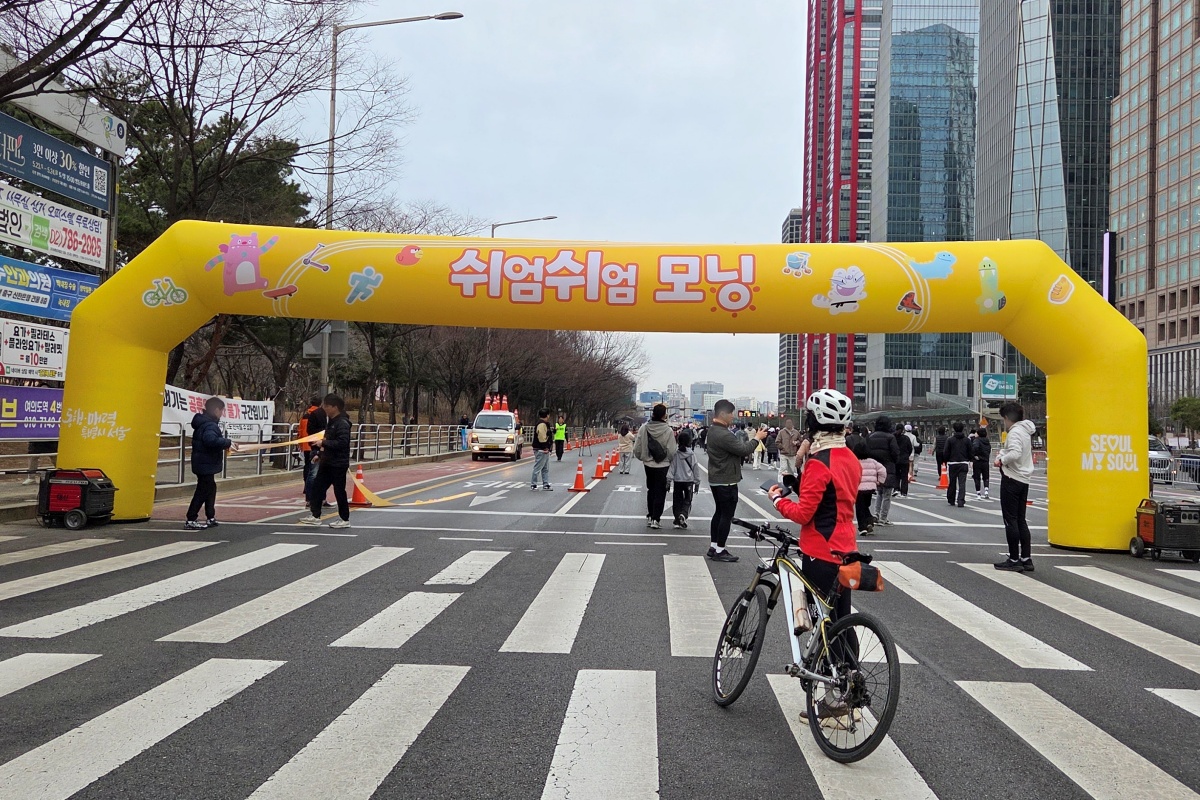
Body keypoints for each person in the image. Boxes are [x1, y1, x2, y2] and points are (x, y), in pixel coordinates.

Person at [768, 389, 859, 721]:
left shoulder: (820, 464)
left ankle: (837, 697)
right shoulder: (849, 458)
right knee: (841, 620)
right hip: (848, 548)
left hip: (821, 551)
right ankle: (850, 687)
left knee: (828, 625)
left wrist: (777, 499)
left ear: (812, 422)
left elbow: (805, 513)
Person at [705, 399, 767, 561]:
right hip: (726, 480)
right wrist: (757, 438)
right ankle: (720, 550)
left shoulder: (713, 430)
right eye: (731, 413)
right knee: (726, 515)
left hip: (716, 478)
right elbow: (743, 450)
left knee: (719, 512)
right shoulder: (724, 434)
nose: (733, 417)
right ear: (724, 414)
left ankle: (714, 546)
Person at [299, 394, 352, 528]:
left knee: (339, 491)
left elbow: (342, 443)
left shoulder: (342, 423)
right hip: (327, 461)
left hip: (338, 463)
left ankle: (344, 519)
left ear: (335, 407)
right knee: (318, 488)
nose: (325, 408)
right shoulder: (332, 422)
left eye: (327, 406)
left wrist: (323, 442)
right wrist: (320, 454)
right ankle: (315, 515)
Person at [185, 397, 238, 529]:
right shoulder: (210, 425)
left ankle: (210, 516)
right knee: (203, 490)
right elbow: (210, 441)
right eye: (221, 411)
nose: (222, 413)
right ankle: (191, 519)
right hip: (205, 463)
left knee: (210, 488)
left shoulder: (204, 423)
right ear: (216, 410)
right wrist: (227, 442)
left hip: (203, 462)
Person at [994, 402, 1036, 571]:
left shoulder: (1015, 432)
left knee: (1010, 520)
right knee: (1020, 520)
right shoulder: (1026, 431)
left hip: (1012, 478)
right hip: (1024, 479)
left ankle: (1013, 559)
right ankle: (1026, 558)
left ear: (1007, 418)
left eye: (1004, 418)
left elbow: (1015, 452)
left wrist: (1000, 460)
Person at [633, 403, 677, 529]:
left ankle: (650, 515)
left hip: (648, 464)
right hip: (663, 465)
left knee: (651, 489)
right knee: (661, 491)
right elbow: (672, 450)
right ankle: (656, 519)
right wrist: (668, 460)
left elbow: (637, 447)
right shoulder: (668, 430)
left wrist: (643, 457)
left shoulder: (644, 428)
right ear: (664, 415)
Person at [867, 417, 900, 526]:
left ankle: (876, 514)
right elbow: (895, 453)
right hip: (888, 467)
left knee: (879, 492)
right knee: (887, 494)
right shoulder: (891, 437)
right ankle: (883, 517)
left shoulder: (871, 436)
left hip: (874, 467)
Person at [853, 440, 885, 536]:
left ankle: (863, 527)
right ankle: (869, 520)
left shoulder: (855, 462)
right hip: (870, 488)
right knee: (865, 505)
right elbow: (883, 471)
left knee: (859, 508)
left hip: (859, 488)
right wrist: (880, 481)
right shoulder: (873, 462)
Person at [298, 396, 327, 504]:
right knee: (315, 472)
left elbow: (300, 431)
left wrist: (300, 443)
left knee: (308, 469)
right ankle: (315, 497)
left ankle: (307, 490)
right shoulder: (320, 414)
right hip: (316, 445)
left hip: (306, 445)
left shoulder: (305, 416)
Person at [668, 429, 699, 529]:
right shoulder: (692, 454)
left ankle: (677, 518)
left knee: (677, 500)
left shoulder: (676, 454)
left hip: (677, 480)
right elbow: (695, 468)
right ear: (690, 441)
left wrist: (668, 480)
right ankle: (683, 515)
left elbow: (672, 467)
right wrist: (697, 482)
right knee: (687, 500)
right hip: (689, 481)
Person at [943, 421, 973, 507]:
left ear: (954, 429)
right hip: (964, 463)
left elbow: (946, 452)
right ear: (963, 429)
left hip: (953, 463)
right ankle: (961, 500)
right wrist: (970, 459)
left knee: (952, 482)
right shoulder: (967, 440)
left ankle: (951, 499)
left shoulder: (950, 440)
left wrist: (946, 460)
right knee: (962, 483)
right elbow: (971, 452)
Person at [530, 409, 554, 490]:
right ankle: (534, 484)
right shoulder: (542, 424)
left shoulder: (543, 424)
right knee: (539, 467)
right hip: (541, 449)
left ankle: (545, 484)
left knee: (545, 468)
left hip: (542, 448)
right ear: (547, 415)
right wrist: (545, 447)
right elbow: (542, 437)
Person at [777, 416, 801, 494]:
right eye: (787, 423)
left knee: (792, 470)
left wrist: (797, 443)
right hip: (784, 454)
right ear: (785, 423)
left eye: (790, 422)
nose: (789, 424)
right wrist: (782, 448)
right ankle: (780, 483)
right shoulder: (781, 432)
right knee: (783, 468)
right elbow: (777, 442)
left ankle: (791, 484)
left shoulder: (796, 432)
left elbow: (800, 441)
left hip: (792, 454)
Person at [893, 426, 914, 498]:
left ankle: (896, 489)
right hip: (904, 459)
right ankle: (904, 492)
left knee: (896, 475)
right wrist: (907, 454)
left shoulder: (893, 438)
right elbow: (910, 448)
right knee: (904, 476)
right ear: (902, 430)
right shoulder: (906, 438)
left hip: (896, 459)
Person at [972, 426, 992, 500]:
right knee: (986, 476)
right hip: (985, 461)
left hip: (978, 461)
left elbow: (975, 448)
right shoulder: (987, 441)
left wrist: (975, 455)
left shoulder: (977, 440)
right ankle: (986, 491)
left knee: (977, 477)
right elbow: (989, 449)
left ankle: (978, 493)